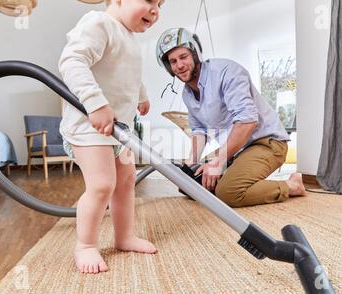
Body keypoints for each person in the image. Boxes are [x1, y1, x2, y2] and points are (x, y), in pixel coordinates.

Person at [59, 0, 164, 274]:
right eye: (151, 0)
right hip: (89, 128)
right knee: (102, 185)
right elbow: (72, 61)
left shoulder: (128, 38)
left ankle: (124, 236)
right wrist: (94, 102)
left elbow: (128, 71)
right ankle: (85, 245)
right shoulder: (98, 23)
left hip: (121, 131)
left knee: (127, 181)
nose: (156, 10)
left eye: (161, 4)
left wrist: (141, 95)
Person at [156, 28, 306, 208]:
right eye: (173, 61)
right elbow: (199, 131)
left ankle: (292, 186)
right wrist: (190, 166)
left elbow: (247, 122)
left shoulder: (227, 72)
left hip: (267, 143)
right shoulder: (187, 94)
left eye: (183, 57)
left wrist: (218, 161)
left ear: (195, 54)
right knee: (192, 185)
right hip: (237, 149)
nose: (179, 65)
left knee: (228, 193)